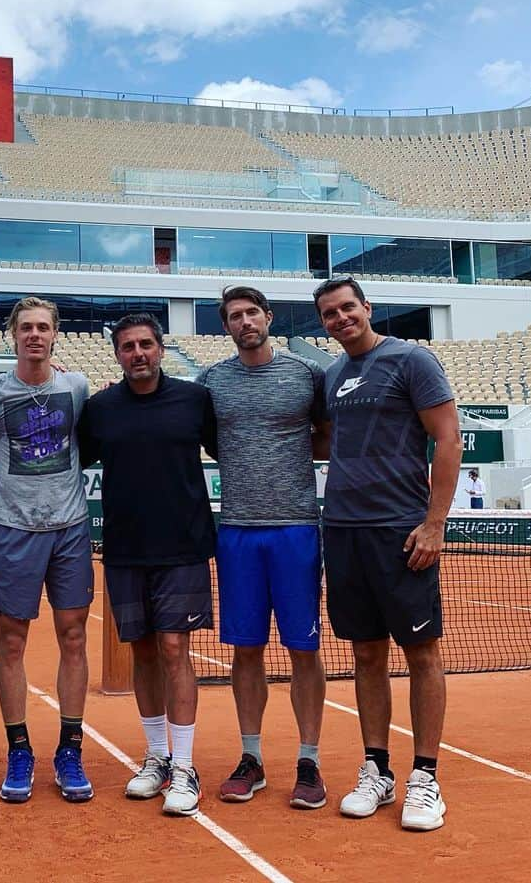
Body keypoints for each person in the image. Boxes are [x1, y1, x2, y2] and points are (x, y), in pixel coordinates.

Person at [314, 276, 462, 832]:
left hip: (401, 533)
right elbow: (326, 442)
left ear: (367, 308)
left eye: (348, 308)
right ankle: (376, 769)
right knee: (366, 655)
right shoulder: (332, 377)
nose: (340, 318)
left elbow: (447, 438)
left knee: (422, 653)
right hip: (344, 532)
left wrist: (434, 524)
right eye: (329, 314)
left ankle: (425, 777)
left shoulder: (411, 360)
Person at [77, 313, 217, 816]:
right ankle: (156, 757)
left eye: (145, 345)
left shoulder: (195, 400)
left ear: (160, 348)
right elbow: (72, 460)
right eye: (128, 346)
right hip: (124, 549)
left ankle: (184, 766)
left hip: (182, 547)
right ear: (117, 354)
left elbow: (232, 452)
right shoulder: (99, 409)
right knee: (141, 653)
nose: (138, 353)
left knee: (175, 649)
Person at [200, 286, 330, 810]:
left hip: (297, 529)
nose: (245, 321)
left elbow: (325, 435)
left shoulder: (306, 374)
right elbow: (210, 438)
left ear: (268, 317)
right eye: (234, 315)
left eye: (252, 312)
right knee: (245, 648)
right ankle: (251, 758)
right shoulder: (211, 381)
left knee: (305, 649)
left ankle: (309, 760)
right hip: (237, 531)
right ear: (226, 325)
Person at [0, 297, 94, 804]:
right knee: (12, 641)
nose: (35, 335)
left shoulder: (76, 387)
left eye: (44, 327)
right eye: (27, 328)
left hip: (71, 528)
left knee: (74, 636)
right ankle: (19, 749)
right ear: (12, 335)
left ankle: (70, 748)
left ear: (55, 335)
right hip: (14, 529)